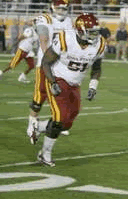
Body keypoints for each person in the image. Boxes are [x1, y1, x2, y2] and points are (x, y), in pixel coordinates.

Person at [33, 13, 106, 167]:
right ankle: (44, 154)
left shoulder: (99, 44)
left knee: (67, 123)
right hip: (58, 78)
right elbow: (46, 62)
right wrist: (52, 82)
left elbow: (97, 68)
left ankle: (38, 127)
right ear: (80, 30)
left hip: (75, 84)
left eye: (95, 31)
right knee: (59, 118)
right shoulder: (65, 39)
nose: (95, 35)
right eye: (91, 31)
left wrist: (93, 85)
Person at [27, 0, 74, 144]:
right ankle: (31, 126)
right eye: (60, 8)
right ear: (53, 7)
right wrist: (50, 57)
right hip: (45, 63)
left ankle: (59, 122)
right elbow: (44, 40)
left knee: (63, 95)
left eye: (64, 8)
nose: (62, 10)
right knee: (39, 98)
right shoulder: (45, 18)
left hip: (62, 66)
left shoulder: (68, 21)